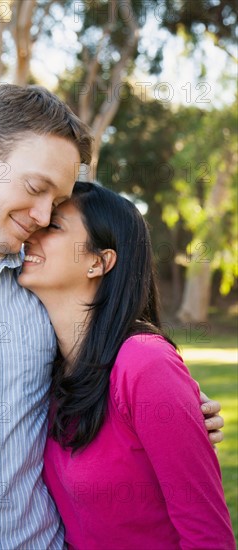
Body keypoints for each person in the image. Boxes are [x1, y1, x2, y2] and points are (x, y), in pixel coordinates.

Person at [0, 86, 224, 549]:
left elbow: (118, 363)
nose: (41, 217)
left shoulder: (49, 283)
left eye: (56, 206)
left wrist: (179, 414)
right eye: (36, 189)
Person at [17, 181, 235, 549]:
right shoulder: (54, 371)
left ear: (98, 262)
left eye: (54, 226)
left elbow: (208, 535)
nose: (32, 232)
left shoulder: (144, 363)